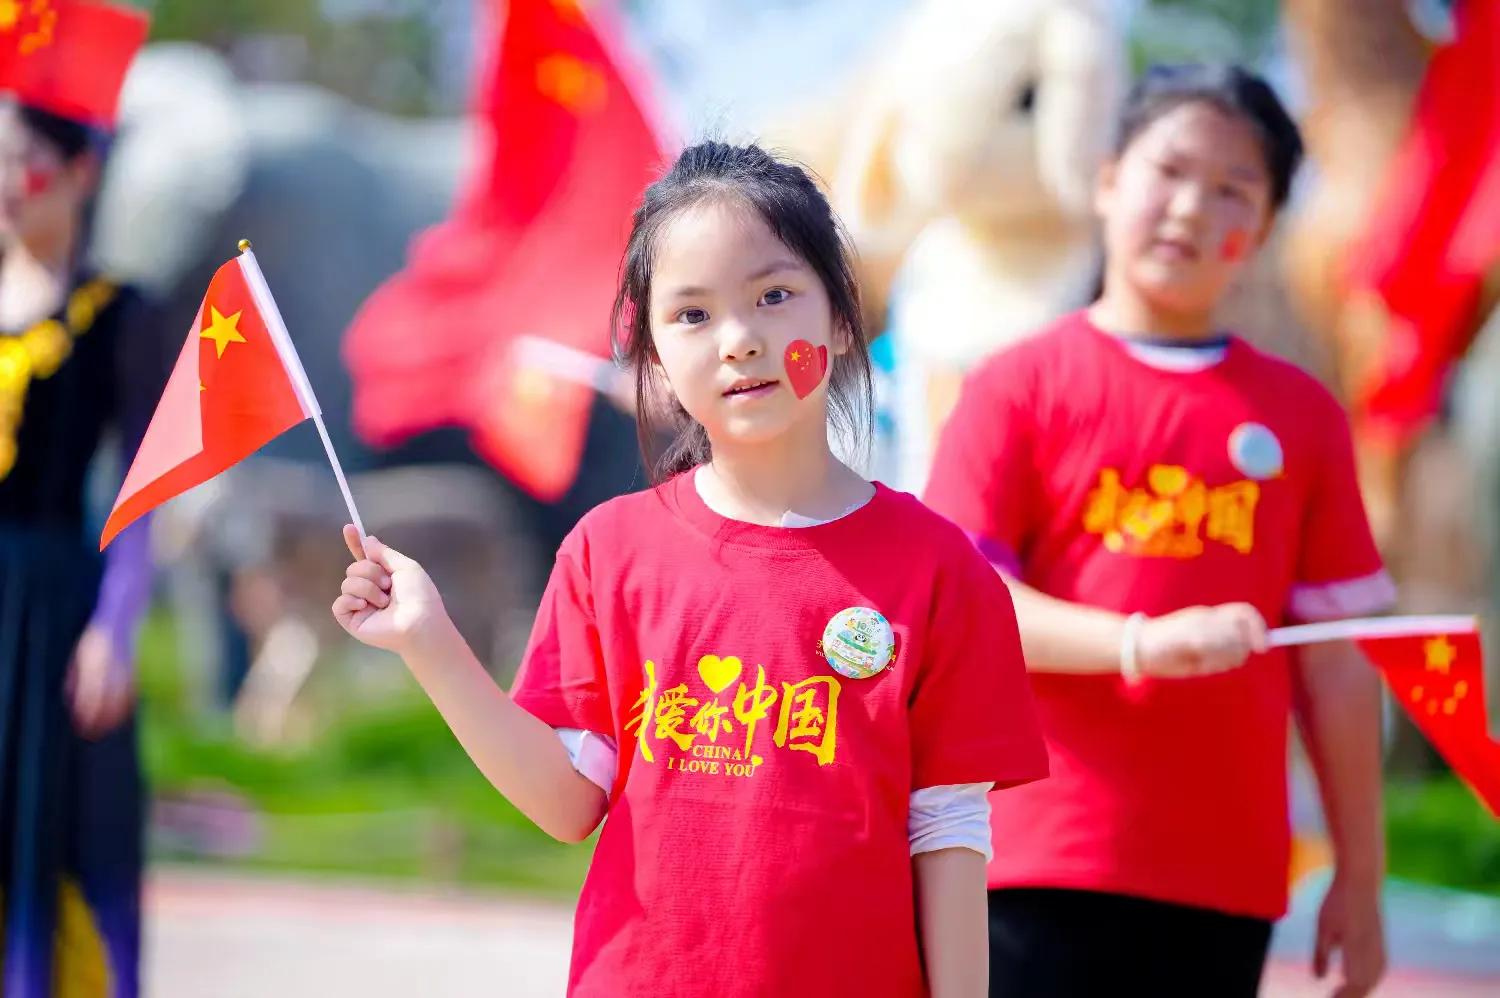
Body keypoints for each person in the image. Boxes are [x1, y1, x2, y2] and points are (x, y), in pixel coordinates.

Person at [334, 141, 1048, 997]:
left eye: (775, 296)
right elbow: (567, 804)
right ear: (653, 356)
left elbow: (948, 831)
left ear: (843, 316)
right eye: (692, 315)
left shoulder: (940, 570)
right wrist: (430, 643)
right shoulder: (608, 550)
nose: (739, 341)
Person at [923, 64, 1395, 998]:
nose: (1190, 208)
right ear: (1107, 180)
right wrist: (1141, 643)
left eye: (1234, 190)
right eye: (1169, 170)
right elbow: (969, 610)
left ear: (1260, 231)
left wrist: (1364, 876)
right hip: (1038, 862)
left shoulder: (1301, 416)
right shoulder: (1014, 385)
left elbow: (1338, 666)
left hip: (1225, 881)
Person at [0, 4, 163, 995]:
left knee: (56, 839)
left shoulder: (119, 312)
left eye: (23, 161)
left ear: (79, 172)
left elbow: (143, 483)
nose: (5, 185)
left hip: (54, 609)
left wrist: (117, 624)